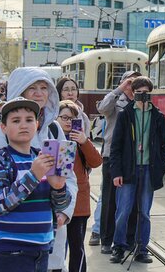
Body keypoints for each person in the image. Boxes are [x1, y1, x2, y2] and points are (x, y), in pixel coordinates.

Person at [0, 67, 78, 272]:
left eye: (44, 88)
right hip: (11, 244)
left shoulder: (54, 128)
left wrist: (64, 209)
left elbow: (67, 177)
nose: (39, 93)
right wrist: (34, 175)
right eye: (32, 88)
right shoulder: (1, 138)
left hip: (45, 236)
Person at [109, 77, 165, 264]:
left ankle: (142, 248)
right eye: (139, 93)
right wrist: (116, 172)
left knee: (144, 212)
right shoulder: (125, 115)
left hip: (148, 170)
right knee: (123, 211)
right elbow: (115, 147)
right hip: (128, 169)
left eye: (146, 93)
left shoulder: (158, 117)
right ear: (133, 93)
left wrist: (159, 167)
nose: (143, 96)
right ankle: (119, 247)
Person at [96, 69, 139, 255]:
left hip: (134, 158)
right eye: (129, 82)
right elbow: (102, 108)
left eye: (136, 82)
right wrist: (120, 89)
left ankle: (129, 239)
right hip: (112, 156)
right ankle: (106, 239)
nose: (132, 85)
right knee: (110, 200)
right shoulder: (116, 101)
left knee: (133, 202)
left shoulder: (142, 102)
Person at [57, 100, 102, 272]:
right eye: (64, 117)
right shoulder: (51, 138)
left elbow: (96, 162)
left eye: (73, 118)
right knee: (57, 250)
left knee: (77, 249)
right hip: (58, 202)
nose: (68, 122)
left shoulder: (81, 140)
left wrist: (84, 142)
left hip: (79, 204)